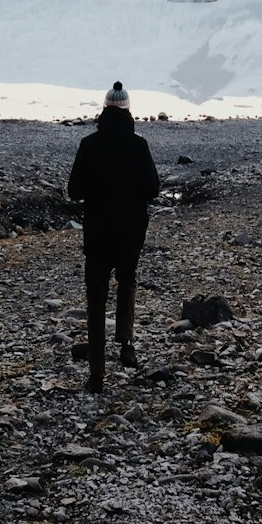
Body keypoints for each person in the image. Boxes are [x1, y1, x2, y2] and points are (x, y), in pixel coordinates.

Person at [67, 80, 160, 392]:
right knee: (127, 280)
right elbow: (152, 190)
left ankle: (96, 373)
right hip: (131, 231)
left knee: (95, 296)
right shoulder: (139, 146)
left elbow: (74, 191)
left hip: (97, 232)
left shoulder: (89, 145)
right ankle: (126, 342)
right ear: (128, 110)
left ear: (104, 109)